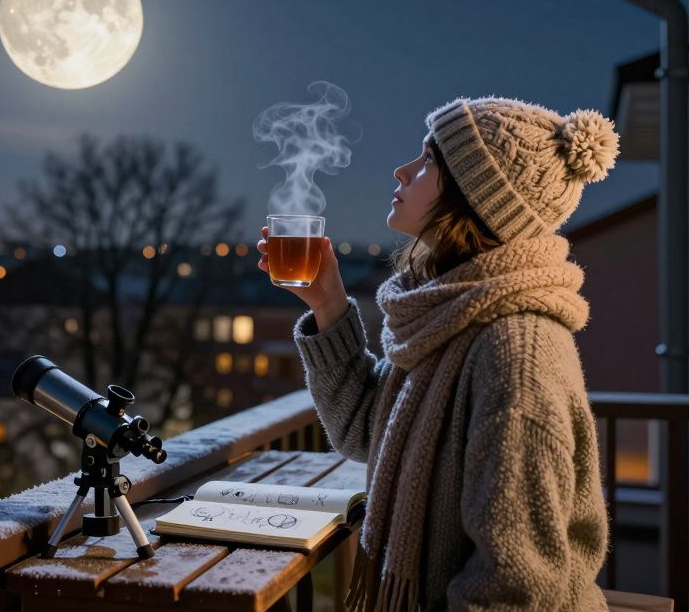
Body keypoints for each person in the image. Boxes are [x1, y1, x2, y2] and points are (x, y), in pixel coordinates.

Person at [257, 97, 620, 611]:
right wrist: (328, 303)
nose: (403, 171)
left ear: (474, 195)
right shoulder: (454, 316)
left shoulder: (516, 355)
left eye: (429, 160)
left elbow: (515, 587)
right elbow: (364, 429)